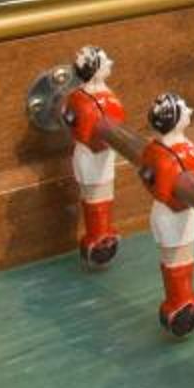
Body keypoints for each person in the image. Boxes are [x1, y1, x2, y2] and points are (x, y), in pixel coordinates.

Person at [138, 91, 194, 336]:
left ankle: (177, 299)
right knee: (180, 261)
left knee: (172, 261)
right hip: (176, 215)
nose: (189, 111)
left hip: (162, 211)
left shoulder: (154, 148)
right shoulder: (181, 152)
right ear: (175, 119)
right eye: (184, 108)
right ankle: (181, 302)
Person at [58, 45, 123, 266]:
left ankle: (101, 232)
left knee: (96, 197)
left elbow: (68, 117)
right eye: (104, 62)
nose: (109, 63)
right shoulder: (101, 99)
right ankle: (99, 236)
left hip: (87, 154)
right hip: (94, 156)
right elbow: (117, 117)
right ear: (94, 70)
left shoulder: (75, 97)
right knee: (97, 197)